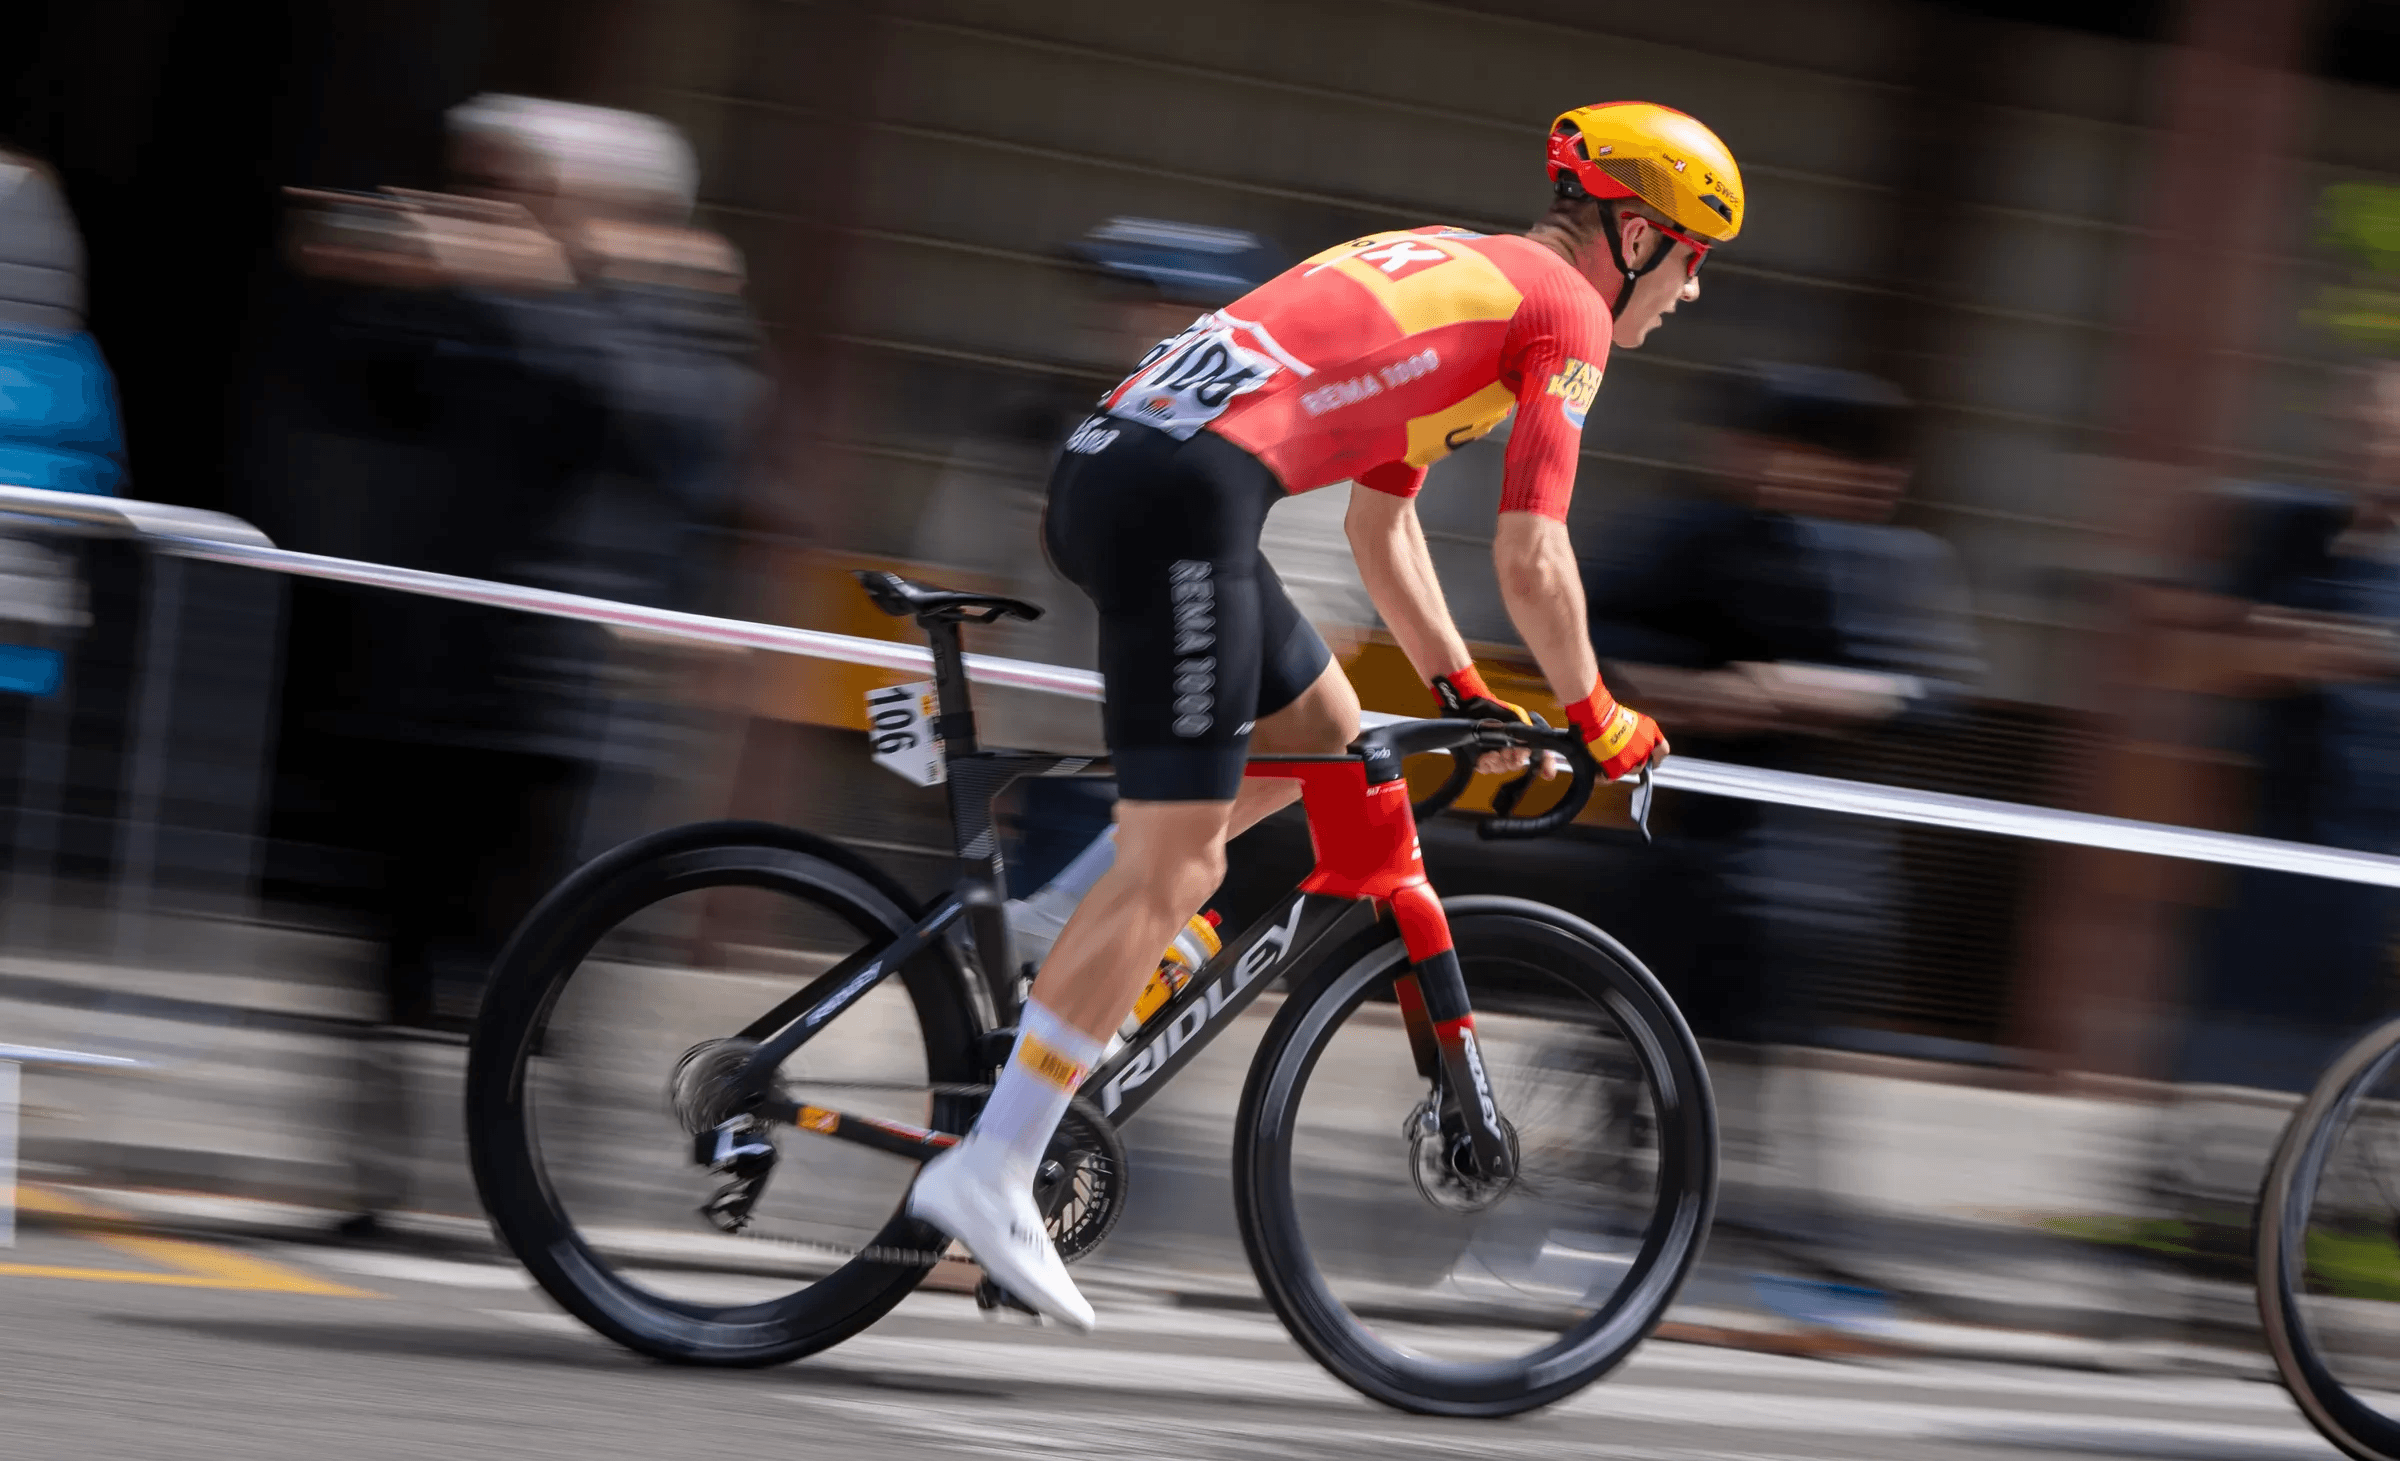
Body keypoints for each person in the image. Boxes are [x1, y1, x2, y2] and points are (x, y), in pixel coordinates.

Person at [906, 101, 1742, 1328]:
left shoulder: (1472, 277)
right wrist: (1600, 714)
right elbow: (1533, 555)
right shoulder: (1562, 314)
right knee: (1180, 857)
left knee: (1333, 748)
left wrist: (1464, 688)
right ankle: (995, 1165)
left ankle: (1080, 942)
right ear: (1631, 234)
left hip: (1144, 475)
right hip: (1182, 500)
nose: (1692, 292)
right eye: (1692, 259)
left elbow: (1378, 524)